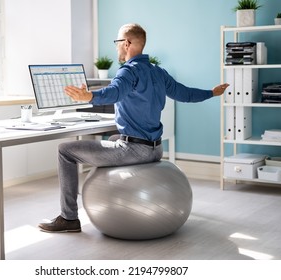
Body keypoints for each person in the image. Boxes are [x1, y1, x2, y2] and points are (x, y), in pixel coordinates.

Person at [38, 23, 229, 233]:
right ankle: (104, 199)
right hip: (155, 149)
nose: (117, 47)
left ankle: (69, 218)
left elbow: (115, 92)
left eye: (117, 42)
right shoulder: (158, 71)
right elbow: (185, 94)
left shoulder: (128, 71)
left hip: (134, 151)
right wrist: (211, 93)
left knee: (65, 150)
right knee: (112, 139)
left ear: (126, 43)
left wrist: (89, 96)